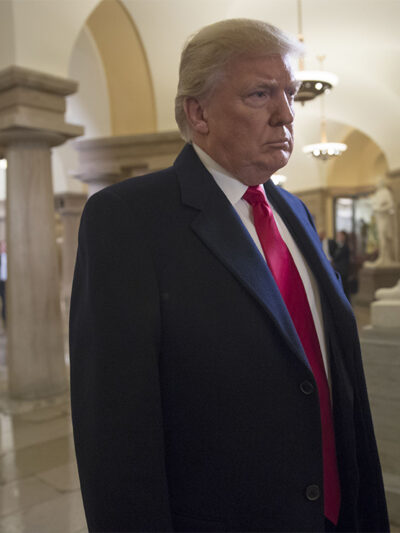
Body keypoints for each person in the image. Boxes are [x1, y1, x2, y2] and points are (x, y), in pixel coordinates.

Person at [70, 19, 388, 533]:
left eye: (290, 93)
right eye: (261, 94)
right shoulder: (129, 219)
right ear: (199, 113)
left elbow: (333, 379)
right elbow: (116, 432)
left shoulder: (294, 211)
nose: (286, 115)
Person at [332, 231, 351, 301]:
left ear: (344, 237)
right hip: (340, 270)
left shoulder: (345, 247)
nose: (338, 237)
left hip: (342, 271)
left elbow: (336, 257)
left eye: (340, 235)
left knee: (344, 289)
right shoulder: (339, 246)